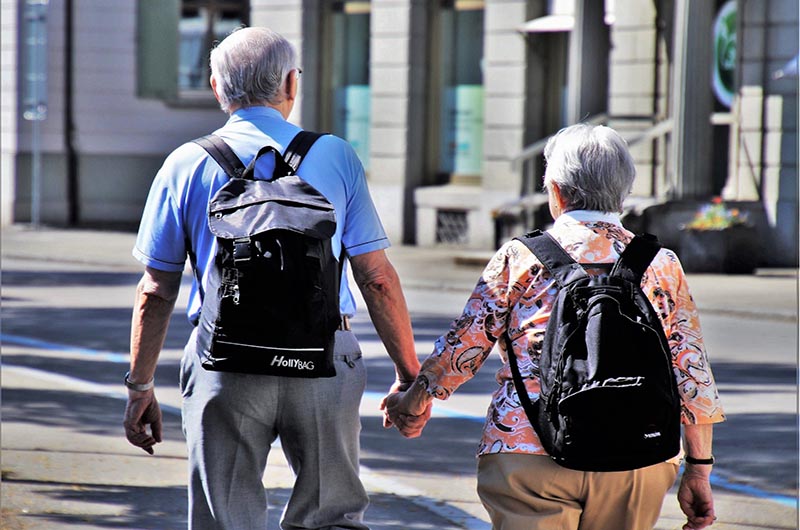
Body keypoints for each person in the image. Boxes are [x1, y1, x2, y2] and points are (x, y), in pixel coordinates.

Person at [123, 27, 424, 530]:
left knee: (225, 518)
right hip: (324, 359)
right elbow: (376, 279)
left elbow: (156, 290)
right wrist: (410, 375)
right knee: (332, 516)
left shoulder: (185, 163)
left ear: (217, 88)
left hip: (225, 364)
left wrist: (140, 387)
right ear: (290, 83)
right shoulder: (336, 156)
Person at [384, 123, 725, 530]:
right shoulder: (661, 264)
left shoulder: (520, 257)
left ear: (557, 192)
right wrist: (698, 468)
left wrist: (415, 400)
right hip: (637, 456)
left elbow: (465, 345)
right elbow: (692, 372)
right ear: (623, 192)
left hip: (527, 449)